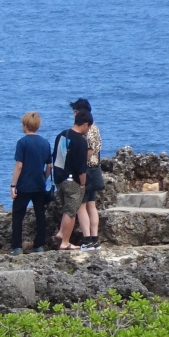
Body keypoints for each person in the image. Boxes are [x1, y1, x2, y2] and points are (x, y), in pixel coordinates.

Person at [9, 111, 52, 255]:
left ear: (26, 126)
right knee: (40, 215)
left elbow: (19, 166)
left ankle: (17, 247)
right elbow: (49, 166)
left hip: (24, 185)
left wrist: (13, 185)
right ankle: (39, 245)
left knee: (17, 216)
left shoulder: (22, 143)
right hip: (39, 185)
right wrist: (44, 178)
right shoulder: (45, 142)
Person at [51, 110, 91, 250]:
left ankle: (61, 233)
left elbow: (56, 157)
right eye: (88, 127)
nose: (88, 130)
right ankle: (65, 242)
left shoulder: (62, 135)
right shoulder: (80, 142)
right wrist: (83, 183)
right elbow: (81, 168)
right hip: (72, 180)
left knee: (66, 209)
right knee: (71, 211)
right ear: (85, 124)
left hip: (59, 178)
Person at [70, 99, 103, 249]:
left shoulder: (87, 129)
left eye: (76, 112)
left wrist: (79, 167)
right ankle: (95, 238)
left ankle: (87, 238)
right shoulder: (95, 128)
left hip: (87, 170)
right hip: (95, 168)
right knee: (91, 205)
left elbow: (88, 151)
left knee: (81, 206)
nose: (74, 115)